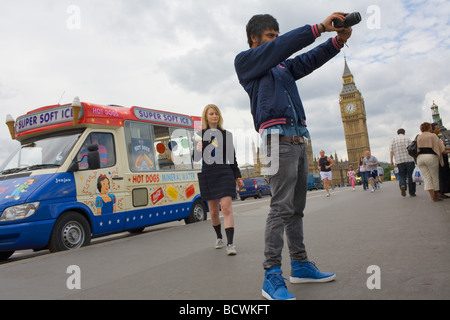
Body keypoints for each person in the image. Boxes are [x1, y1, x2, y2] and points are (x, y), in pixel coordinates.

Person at [234, 12, 351, 300]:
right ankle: (271, 276)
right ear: (254, 39)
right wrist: (319, 28)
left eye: (277, 35)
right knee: (280, 207)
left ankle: (299, 265)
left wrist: (336, 41)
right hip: (275, 141)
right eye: (270, 36)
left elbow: (307, 60)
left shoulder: (283, 66)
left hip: (298, 139)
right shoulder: (246, 62)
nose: (276, 41)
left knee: (295, 209)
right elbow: (281, 47)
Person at [196, 104, 244, 255]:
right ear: (206, 117)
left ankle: (231, 244)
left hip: (225, 172)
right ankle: (219, 237)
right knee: (213, 211)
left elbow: (232, 158)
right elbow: (196, 158)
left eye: (216, 113)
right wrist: (197, 149)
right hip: (208, 174)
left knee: (226, 207)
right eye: (211, 114)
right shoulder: (200, 135)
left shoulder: (226, 135)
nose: (214, 116)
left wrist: (238, 176)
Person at [416, 122, 450, 202]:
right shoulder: (433, 136)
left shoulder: (419, 136)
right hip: (430, 157)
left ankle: (432, 197)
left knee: (427, 178)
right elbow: (442, 149)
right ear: (429, 128)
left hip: (420, 158)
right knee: (434, 177)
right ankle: (436, 196)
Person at [389, 128, 416, 197]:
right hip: (409, 160)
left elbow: (391, 151)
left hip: (399, 161)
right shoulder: (407, 138)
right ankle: (412, 192)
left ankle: (402, 185)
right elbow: (412, 148)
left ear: (397, 133)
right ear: (404, 133)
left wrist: (391, 161)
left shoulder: (393, 140)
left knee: (401, 175)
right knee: (410, 176)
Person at [431, 123, 450, 199]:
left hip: (441, 157)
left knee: (443, 175)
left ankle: (441, 191)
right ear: (432, 130)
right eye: (437, 129)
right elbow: (441, 148)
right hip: (440, 158)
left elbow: (442, 147)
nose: (439, 130)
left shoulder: (436, 137)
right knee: (442, 175)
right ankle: (440, 192)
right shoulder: (434, 138)